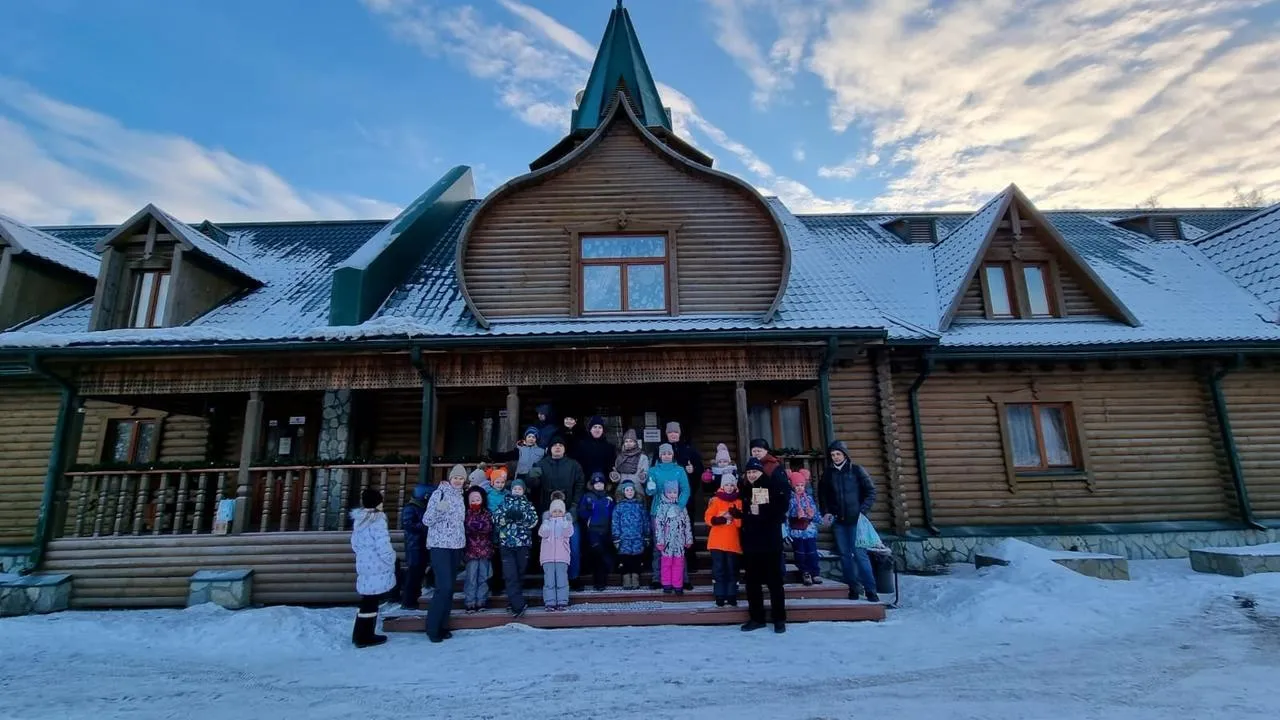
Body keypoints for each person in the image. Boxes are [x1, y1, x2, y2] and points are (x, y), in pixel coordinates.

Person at [818, 440, 880, 602]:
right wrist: (826, 512)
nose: (836, 457)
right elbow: (823, 495)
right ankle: (853, 588)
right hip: (839, 521)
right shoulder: (828, 474)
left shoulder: (857, 471)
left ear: (845, 454)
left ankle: (871, 590)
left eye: (838, 454)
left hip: (856, 521)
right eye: (833, 455)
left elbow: (871, 492)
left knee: (860, 555)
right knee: (845, 556)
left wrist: (862, 511)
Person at [739, 457, 790, 633]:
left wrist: (760, 511)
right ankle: (757, 618)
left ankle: (779, 619)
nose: (752, 475)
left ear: (761, 472)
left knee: (774, 582)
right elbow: (746, 516)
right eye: (749, 472)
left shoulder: (770, 486)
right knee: (752, 583)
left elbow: (779, 511)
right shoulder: (745, 489)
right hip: (752, 544)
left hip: (770, 543)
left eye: (755, 471)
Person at [532, 435, 587, 589]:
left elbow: (580, 485)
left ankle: (573, 577)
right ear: (550, 448)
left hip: (569, 512)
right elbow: (533, 486)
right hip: (549, 514)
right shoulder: (541, 464)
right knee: (549, 549)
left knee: (573, 546)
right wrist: (532, 477)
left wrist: (574, 506)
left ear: (564, 448)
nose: (557, 447)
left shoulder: (574, 465)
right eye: (554, 445)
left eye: (560, 445)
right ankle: (550, 579)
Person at [423, 464, 467, 642]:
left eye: (461, 478)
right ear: (450, 478)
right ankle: (432, 628)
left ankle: (443, 625)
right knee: (444, 587)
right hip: (440, 545)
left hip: (456, 546)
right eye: (455, 477)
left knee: (450, 588)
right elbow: (427, 520)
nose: (458, 481)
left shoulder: (461, 496)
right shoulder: (439, 494)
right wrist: (438, 510)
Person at [349, 487, 395, 648]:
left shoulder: (359, 520)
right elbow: (383, 544)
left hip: (363, 563)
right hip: (377, 564)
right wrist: (391, 558)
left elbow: (354, 543)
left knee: (367, 600)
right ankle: (365, 636)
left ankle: (359, 633)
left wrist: (363, 554)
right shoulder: (378, 520)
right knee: (372, 601)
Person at [646, 443, 690, 590]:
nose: (666, 456)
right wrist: (650, 488)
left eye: (669, 453)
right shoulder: (653, 470)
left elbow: (686, 490)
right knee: (659, 544)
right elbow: (649, 491)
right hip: (658, 511)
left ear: (672, 455)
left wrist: (679, 506)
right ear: (660, 455)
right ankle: (657, 578)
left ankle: (683, 579)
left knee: (679, 545)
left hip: (676, 511)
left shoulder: (679, 470)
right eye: (664, 453)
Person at [494, 479, 538, 618]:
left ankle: (514, 600)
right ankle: (518, 605)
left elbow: (533, 521)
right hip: (507, 544)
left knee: (520, 572)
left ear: (523, 491)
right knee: (510, 574)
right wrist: (506, 517)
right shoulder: (504, 503)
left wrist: (522, 516)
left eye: (519, 489)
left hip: (522, 543)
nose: (517, 491)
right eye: (515, 489)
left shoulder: (528, 505)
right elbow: (495, 519)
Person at [704, 473, 743, 607]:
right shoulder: (716, 500)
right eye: (726, 485)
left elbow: (739, 524)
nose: (729, 487)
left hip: (732, 542)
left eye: (732, 485)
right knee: (719, 569)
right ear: (722, 486)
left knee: (732, 569)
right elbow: (708, 518)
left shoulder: (738, 501)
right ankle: (719, 594)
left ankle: (732, 594)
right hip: (717, 542)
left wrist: (736, 515)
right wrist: (719, 519)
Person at [652, 481, 694, 595]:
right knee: (666, 563)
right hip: (667, 542)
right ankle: (666, 584)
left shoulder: (681, 507)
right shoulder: (661, 508)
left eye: (674, 492)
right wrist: (660, 541)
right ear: (665, 493)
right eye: (669, 492)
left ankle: (677, 584)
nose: (672, 494)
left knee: (678, 563)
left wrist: (688, 539)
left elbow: (687, 524)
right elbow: (659, 526)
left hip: (679, 541)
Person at [578, 473, 616, 591]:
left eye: (601, 483)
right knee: (597, 554)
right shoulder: (587, 497)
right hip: (593, 530)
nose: (599, 485)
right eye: (596, 483)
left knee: (605, 553)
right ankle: (598, 581)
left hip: (606, 530)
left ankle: (603, 580)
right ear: (592, 484)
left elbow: (614, 513)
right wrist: (588, 514)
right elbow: (581, 512)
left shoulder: (609, 498)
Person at [786, 469, 823, 586]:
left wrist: (815, 516)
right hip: (797, 530)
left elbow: (815, 513)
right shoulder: (790, 500)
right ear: (793, 486)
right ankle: (805, 572)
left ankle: (815, 572)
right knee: (800, 553)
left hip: (809, 530)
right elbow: (787, 515)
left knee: (812, 552)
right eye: (797, 485)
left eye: (802, 485)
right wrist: (795, 514)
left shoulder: (809, 499)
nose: (800, 488)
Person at [611, 480, 650, 589]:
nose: (629, 492)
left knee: (637, 558)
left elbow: (645, 521)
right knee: (625, 558)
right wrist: (616, 537)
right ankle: (626, 578)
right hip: (624, 538)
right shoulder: (619, 507)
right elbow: (615, 523)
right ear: (623, 492)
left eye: (631, 490)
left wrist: (647, 535)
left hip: (638, 537)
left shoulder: (640, 506)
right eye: (627, 490)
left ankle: (635, 577)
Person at [539, 494, 574, 611]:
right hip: (547, 557)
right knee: (549, 581)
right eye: (554, 511)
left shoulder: (566, 522)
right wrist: (545, 525)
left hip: (562, 557)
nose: (557, 513)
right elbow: (542, 534)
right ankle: (550, 602)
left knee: (562, 580)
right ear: (550, 512)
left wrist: (567, 524)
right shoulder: (547, 522)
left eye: (560, 511)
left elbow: (568, 533)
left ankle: (562, 601)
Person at [462, 486, 494, 613]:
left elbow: (488, 527)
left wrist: (477, 526)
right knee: (471, 577)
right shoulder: (466, 513)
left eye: (478, 499)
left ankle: (481, 600)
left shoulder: (486, 513)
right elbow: (467, 527)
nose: (475, 502)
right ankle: (470, 601)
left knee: (483, 577)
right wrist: (476, 526)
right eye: (472, 500)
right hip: (471, 551)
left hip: (485, 550)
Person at [399, 483, 430, 609]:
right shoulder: (411, 508)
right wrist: (424, 525)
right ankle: (408, 601)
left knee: (419, 572)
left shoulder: (421, 507)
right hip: (414, 545)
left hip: (421, 544)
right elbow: (408, 524)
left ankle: (415, 598)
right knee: (413, 573)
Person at [485, 466, 511, 597]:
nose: (500, 485)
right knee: (494, 559)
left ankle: (503, 581)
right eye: (497, 482)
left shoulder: (507, 494)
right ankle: (495, 584)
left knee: (503, 558)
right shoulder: (488, 495)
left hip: (505, 529)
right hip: (493, 529)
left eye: (502, 482)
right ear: (492, 482)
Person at [573, 416, 617, 486]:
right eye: (595, 427)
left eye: (600, 427)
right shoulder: (581, 445)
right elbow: (577, 465)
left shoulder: (609, 447)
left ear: (603, 430)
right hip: (585, 483)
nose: (597, 430)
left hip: (603, 484)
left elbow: (611, 467)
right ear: (590, 429)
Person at [611, 429, 650, 502]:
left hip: (637, 490)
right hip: (622, 491)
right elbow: (618, 477)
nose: (628, 443)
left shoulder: (643, 457)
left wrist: (643, 476)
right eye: (626, 441)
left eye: (631, 441)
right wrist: (615, 476)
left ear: (635, 443)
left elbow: (646, 475)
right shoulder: (619, 457)